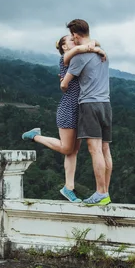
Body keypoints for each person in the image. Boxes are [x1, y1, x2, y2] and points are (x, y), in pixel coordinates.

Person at [22, 34, 106, 203]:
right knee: (67, 149)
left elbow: (93, 42)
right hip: (68, 108)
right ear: (64, 47)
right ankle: (34, 136)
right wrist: (95, 48)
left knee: (73, 151)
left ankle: (68, 188)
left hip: (81, 110)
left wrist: (94, 45)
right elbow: (83, 47)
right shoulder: (65, 59)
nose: (75, 41)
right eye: (71, 40)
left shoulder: (77, 58)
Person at [61, 18, 113, 206]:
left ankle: (100, 193)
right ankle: (105, 192)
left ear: (75, 35)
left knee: (95, 149)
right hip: (106, 104)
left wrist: (63, 83)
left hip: (90, 105)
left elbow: (65, 84)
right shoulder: (102, 53)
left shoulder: (79, 57)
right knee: (106, 149)